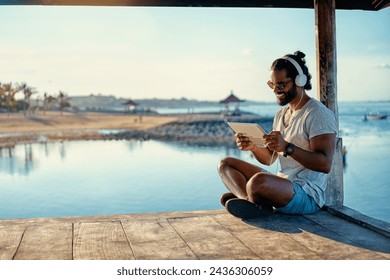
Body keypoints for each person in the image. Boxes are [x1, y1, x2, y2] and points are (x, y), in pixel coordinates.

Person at [217, 50, 338, 219]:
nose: (276, 90)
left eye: (281, 84)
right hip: (281, 184)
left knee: (257, 182)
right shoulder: (281, 114)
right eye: (272, 85)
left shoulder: (318, 114)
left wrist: (288, 147)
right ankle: (249, 201)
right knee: (226, 164)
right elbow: (269, 159)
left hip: (307, 194)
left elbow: (325, 164)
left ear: (299, 81)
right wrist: (253, 147)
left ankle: (250, 199)